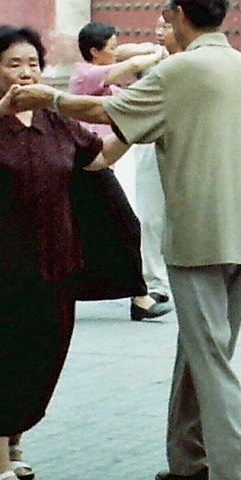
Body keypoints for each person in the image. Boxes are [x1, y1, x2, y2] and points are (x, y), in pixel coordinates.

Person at [43, 0, 241, 480]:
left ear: (177, 14)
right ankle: (189, 462)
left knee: (208, 353)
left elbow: (102, 110)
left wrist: (42, 98)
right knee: (201, 349)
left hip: (198, 230)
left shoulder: (182, 69)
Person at [0, 25, 130, 480]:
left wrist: (134, 130)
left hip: (55, 259)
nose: (25, 74)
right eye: (13, 65)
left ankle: (16, 435)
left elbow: (97, 159)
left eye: (32, 64)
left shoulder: (55, 122)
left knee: (45, 353)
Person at [71, 20, 171, 321]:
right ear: (94, 51)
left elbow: (128, 64)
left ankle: (61, 290)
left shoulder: (107, 86)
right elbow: (131, 63)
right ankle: (140, 298)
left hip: (94, 164)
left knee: (82, 232)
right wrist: (158, 54)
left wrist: (150, 48)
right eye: (111, 49)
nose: (117, 53)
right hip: (85, 164)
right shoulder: (85, 75)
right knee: (127, 226)